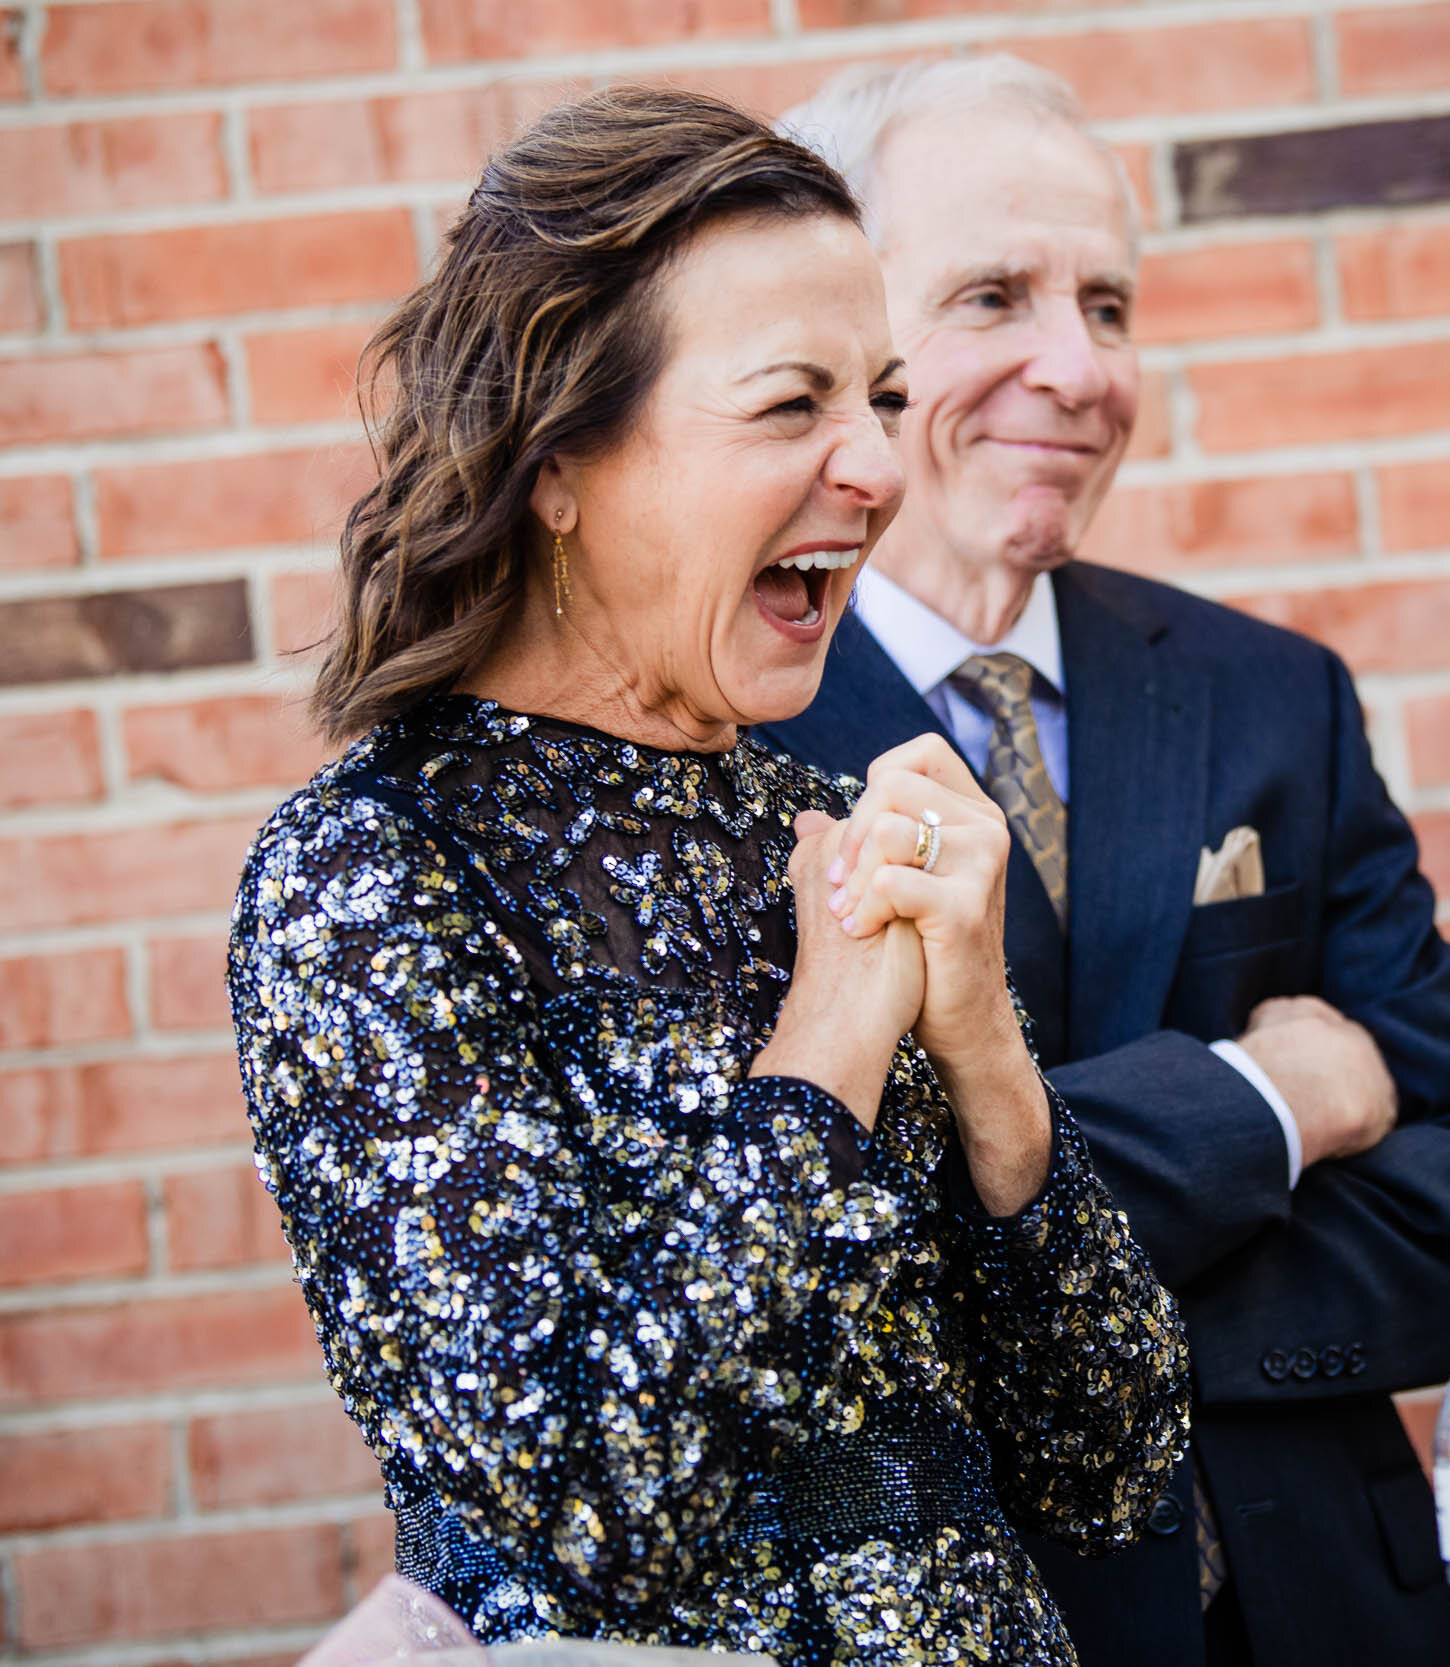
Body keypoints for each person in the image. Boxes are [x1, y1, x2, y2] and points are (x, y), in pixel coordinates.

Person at [226, 87, 1189, 1664]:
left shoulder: (820, 822)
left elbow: (1113, 1459)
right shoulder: (374, 871)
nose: (875, 467)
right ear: (559, 460)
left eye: (879, 397)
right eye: (792, 404)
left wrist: (988, 1052)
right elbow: (593, 1507)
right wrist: (825, 1050)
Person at [766, 57, 1450, 1667]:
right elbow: (804, 1271)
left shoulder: (1269, 699)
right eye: (994, 297)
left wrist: (1055, 1297)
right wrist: (1268, 1107)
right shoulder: (730, 740)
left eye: (1112, 306)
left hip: (1322, 1618)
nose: (1076, 369)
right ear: (838, 340)